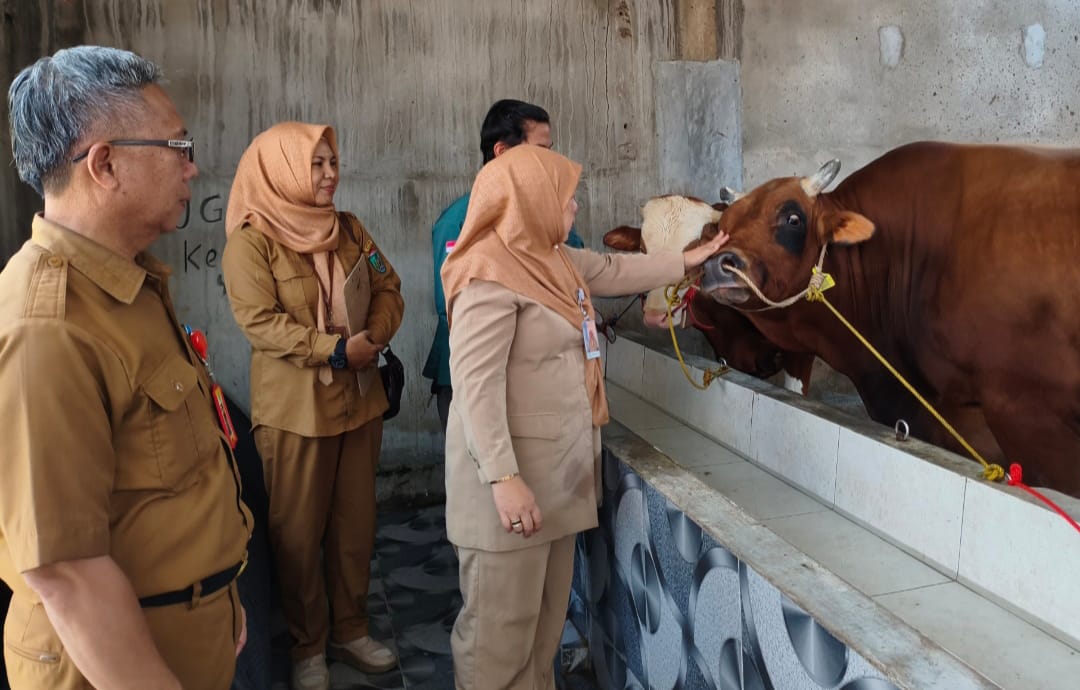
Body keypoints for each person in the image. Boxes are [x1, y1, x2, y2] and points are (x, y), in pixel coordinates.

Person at [0, 45, 252, 689]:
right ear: (105, 165)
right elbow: (64, 569)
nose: (193, 169)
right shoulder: (48, 326)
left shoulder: (128, 283)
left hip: (185, 627)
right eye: (177, 147)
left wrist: (220, 592)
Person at [441, 144, 727, 688]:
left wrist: (686, 260)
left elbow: (617, 269)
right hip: (509, 490)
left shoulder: (555, 260)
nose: (574, 209)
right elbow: (476, 389)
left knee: (542, 634)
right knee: (497, 642)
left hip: (553, 486)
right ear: (530, 200)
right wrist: (504, 478)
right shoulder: (488, 276)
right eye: (566, 198)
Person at [221, 122, 404, 690]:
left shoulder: (349, 229)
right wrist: (335, 351)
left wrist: (373, 335)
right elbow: (261, 324)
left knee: (355, 525)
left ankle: (349, 631)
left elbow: (389, 285)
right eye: (315, 164)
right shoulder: (251, 242)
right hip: (297, 412)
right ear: (282, 170)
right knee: (297, 534)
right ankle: (307, 648)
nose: (329, 174)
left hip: (360, 403)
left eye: (332, 162)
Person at [423, 99, 584, 429]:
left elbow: (578, 271)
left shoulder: (551, 212)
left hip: (537, 381)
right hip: (480, 385)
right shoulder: (459, 221)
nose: (551, 162)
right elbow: (454, 303)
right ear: (501, 152)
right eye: (541, 151)